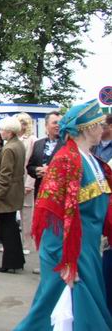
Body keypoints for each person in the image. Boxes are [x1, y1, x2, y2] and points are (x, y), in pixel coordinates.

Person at [15, 99, 112, 330]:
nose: (104, 128)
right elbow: (52, 216)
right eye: (100, 124)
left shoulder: (93, 160)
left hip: (86, 247)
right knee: (57, 312)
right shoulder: (65, 160)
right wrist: (65, 260)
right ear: (87, 128)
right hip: (68, 251)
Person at [0, 116, 26, 272]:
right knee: (12, 228)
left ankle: (10, 263)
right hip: (14, 192)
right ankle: (16, 261)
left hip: (7, 194)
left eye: (2, 130)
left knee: (8, 229)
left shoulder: (9, 148)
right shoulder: (18, 145)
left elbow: (5, 174)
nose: (0, 132)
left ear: (9, 131)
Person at [15, 112, 37, 254]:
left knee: (27, 212)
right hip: (14, 180)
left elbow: (34, 162)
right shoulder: (13, 138)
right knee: (12, 212)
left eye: (22, 122)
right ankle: (14, 243)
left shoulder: (32, 140)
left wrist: (30, 183)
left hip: (26, 178)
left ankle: (27, 244)